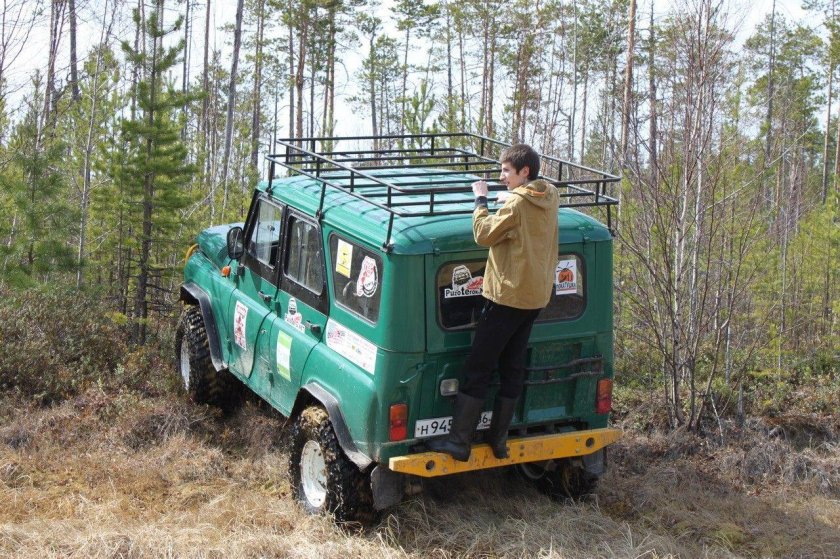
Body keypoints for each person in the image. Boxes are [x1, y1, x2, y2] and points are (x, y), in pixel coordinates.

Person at [427, 144, 560, 462]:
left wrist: (481, 199)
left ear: (524, 172)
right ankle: (498, 440)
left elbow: (483, 235)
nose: (501, 177)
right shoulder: (549, 195)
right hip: (535, 297)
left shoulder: (515, 204)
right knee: (513, 366)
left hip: (507, 297)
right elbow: (523, 212)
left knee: (478, 367)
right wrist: (507, 200)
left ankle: (459, 442)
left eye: (506, 172)